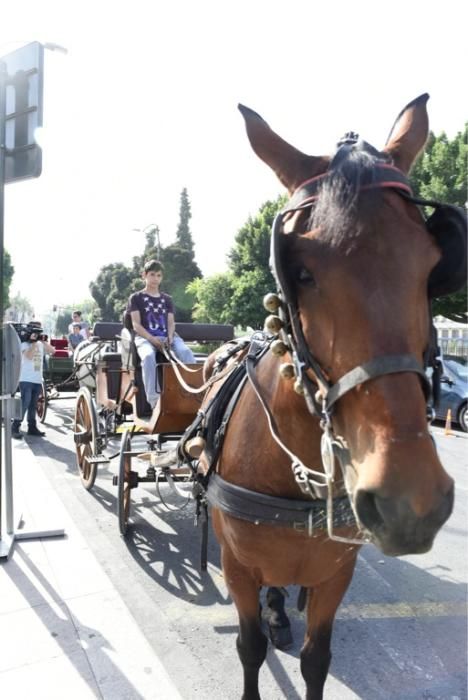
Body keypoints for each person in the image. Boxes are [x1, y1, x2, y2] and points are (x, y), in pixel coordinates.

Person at [127, 259, 195, 409]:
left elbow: (171, 322)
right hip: (144, 338)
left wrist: (170, 337)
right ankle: (154, 401)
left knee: (186, 352)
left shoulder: (167, 299)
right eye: (152, 274)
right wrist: (152, 339)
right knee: (148, 356)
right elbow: (136, 325)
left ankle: (193, 395)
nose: (155, 279)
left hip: (168, 336)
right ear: (144, 275)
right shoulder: (136, 298)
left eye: (158, 275)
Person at [11, 324, 55, 439]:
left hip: (37, 379)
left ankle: (32, 427)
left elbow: (52, 351)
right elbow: (29, 356)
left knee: (33, 405)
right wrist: (34, 343)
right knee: (25, 403)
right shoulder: (24, 344)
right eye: (35, 334)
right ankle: (15, 427)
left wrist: (43, 341)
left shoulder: (40, 344)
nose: (37, 336)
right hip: (25, 379)